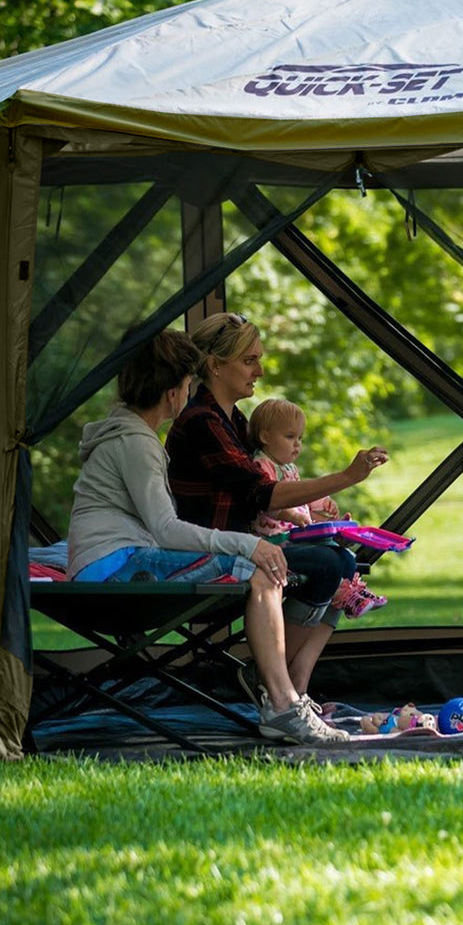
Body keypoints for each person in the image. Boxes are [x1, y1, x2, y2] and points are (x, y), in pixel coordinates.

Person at [66, 327, 349, 745]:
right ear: (172, 392)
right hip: (116, 570)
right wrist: (249, 543)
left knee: (299, 563)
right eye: (186, 383)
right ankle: (284, 705)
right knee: (260, 568)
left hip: (114, 561)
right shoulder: (137, 443)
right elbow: (165, 529)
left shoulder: (132, 435)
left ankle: (284, 694)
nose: (188, 391)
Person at [165, 311, 388, 709]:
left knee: (342, 564)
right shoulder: (203, 423)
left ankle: (287, 680)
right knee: (326, 565)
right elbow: (263, 494)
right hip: (209, 552)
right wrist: (348, 476)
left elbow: (267, 497)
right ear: (215, 365)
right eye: (249, 360)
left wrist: (317, 517)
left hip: (243, 545)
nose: (260, 371)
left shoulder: (233, 420)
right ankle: (276, 681)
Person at [247, 397, 388, 618]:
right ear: (265, 436)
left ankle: (353, 594)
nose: (297, 444)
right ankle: (344, 595)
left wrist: (323, 504)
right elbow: (268, 501)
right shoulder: (262, 465)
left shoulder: (289, 467)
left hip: (295, 537)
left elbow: (301, 493)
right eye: (290, 436)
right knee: (327, 559)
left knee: (347, 557)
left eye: (300, 438)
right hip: (274, 543)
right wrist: (291, 514)